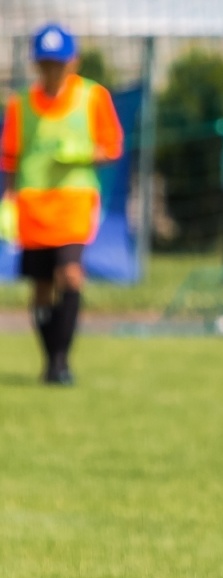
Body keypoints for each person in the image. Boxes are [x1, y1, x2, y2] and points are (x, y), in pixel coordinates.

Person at [0, 23, 124, 384]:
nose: (51, 71)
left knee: (70, 274)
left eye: (58, 63)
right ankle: (50, 359)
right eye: (45, 64)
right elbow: (10, 157)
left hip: (73, 203)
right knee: (40, 287)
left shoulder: (93, 96)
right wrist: (8, 201)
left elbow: (112, 146)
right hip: (33, 206)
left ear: (73, 62)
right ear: (36, 65)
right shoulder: (20, 104)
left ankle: (61, 361)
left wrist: (82, 152)